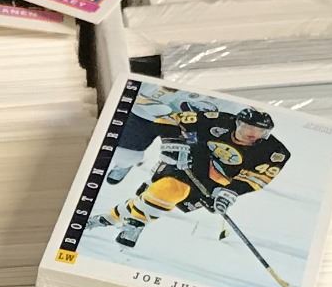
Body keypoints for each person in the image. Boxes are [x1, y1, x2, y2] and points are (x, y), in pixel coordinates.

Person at [99, 103, 289, 250]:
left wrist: (228, 193)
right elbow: (169, 120)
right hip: (191, 160)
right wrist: (177, 143)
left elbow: (254, 179)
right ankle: (135, 224)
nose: (253, 135)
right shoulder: (218, 120)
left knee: (158, 197)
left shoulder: (274, 152)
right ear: (237, 123)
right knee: (169, 190)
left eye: (261, 132)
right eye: (249, 128)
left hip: (216, 182)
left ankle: (111, 217)